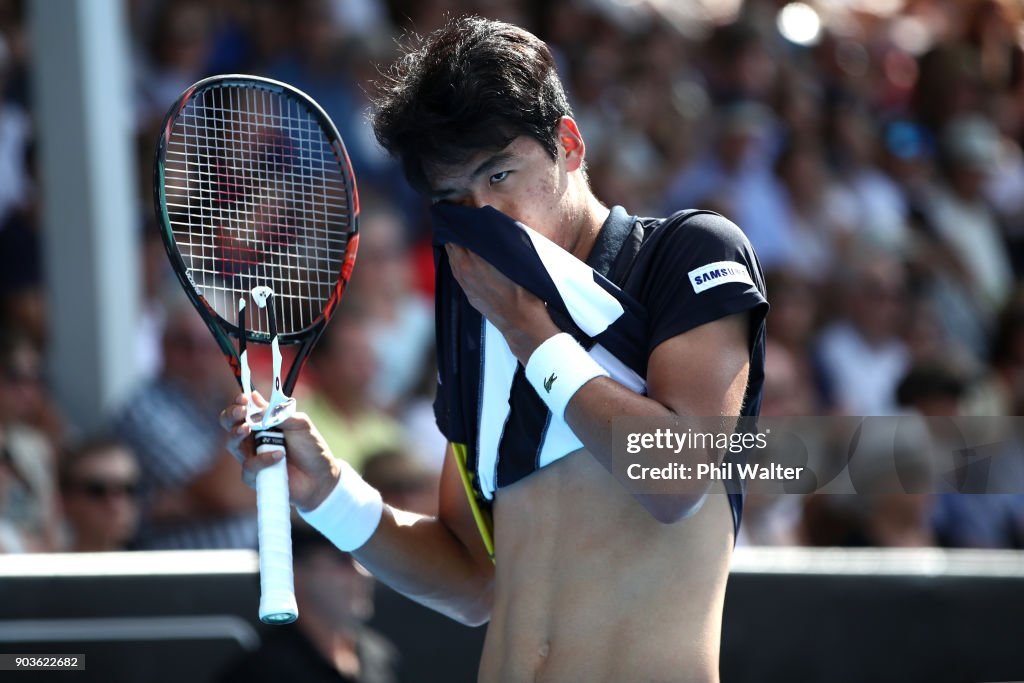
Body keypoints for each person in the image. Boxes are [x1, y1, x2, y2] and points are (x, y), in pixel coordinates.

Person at [222, 17, 767, 683]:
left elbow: (676, 480)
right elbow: (474, 583)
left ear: (567, 144)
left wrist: (532, 335)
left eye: (500, 174)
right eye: (457, 196)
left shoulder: (689, 252)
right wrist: (328, 491)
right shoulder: (480, 318)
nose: (484, 213)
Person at [218, 522, 397, 683]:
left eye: (361, 559)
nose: (362, 573)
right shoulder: (260, 673)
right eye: (341, 559)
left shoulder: (378, 656)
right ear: (291, 574)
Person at [59, 436, 141, 552]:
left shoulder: (157, 567)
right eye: (97, 490)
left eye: (128, 489)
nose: (116, 505)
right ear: (65, 500)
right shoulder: (43, 568)